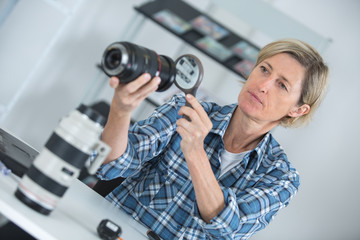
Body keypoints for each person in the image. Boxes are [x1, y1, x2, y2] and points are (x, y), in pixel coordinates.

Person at [95, 39, 329, 239]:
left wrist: (195, 151)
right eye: (265, 70)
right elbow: (110, 165)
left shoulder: (281, 177)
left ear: (298, 110)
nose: (264, 85)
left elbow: (226, 228)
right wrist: (121, 110)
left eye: (282, 85)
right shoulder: (185, 109)